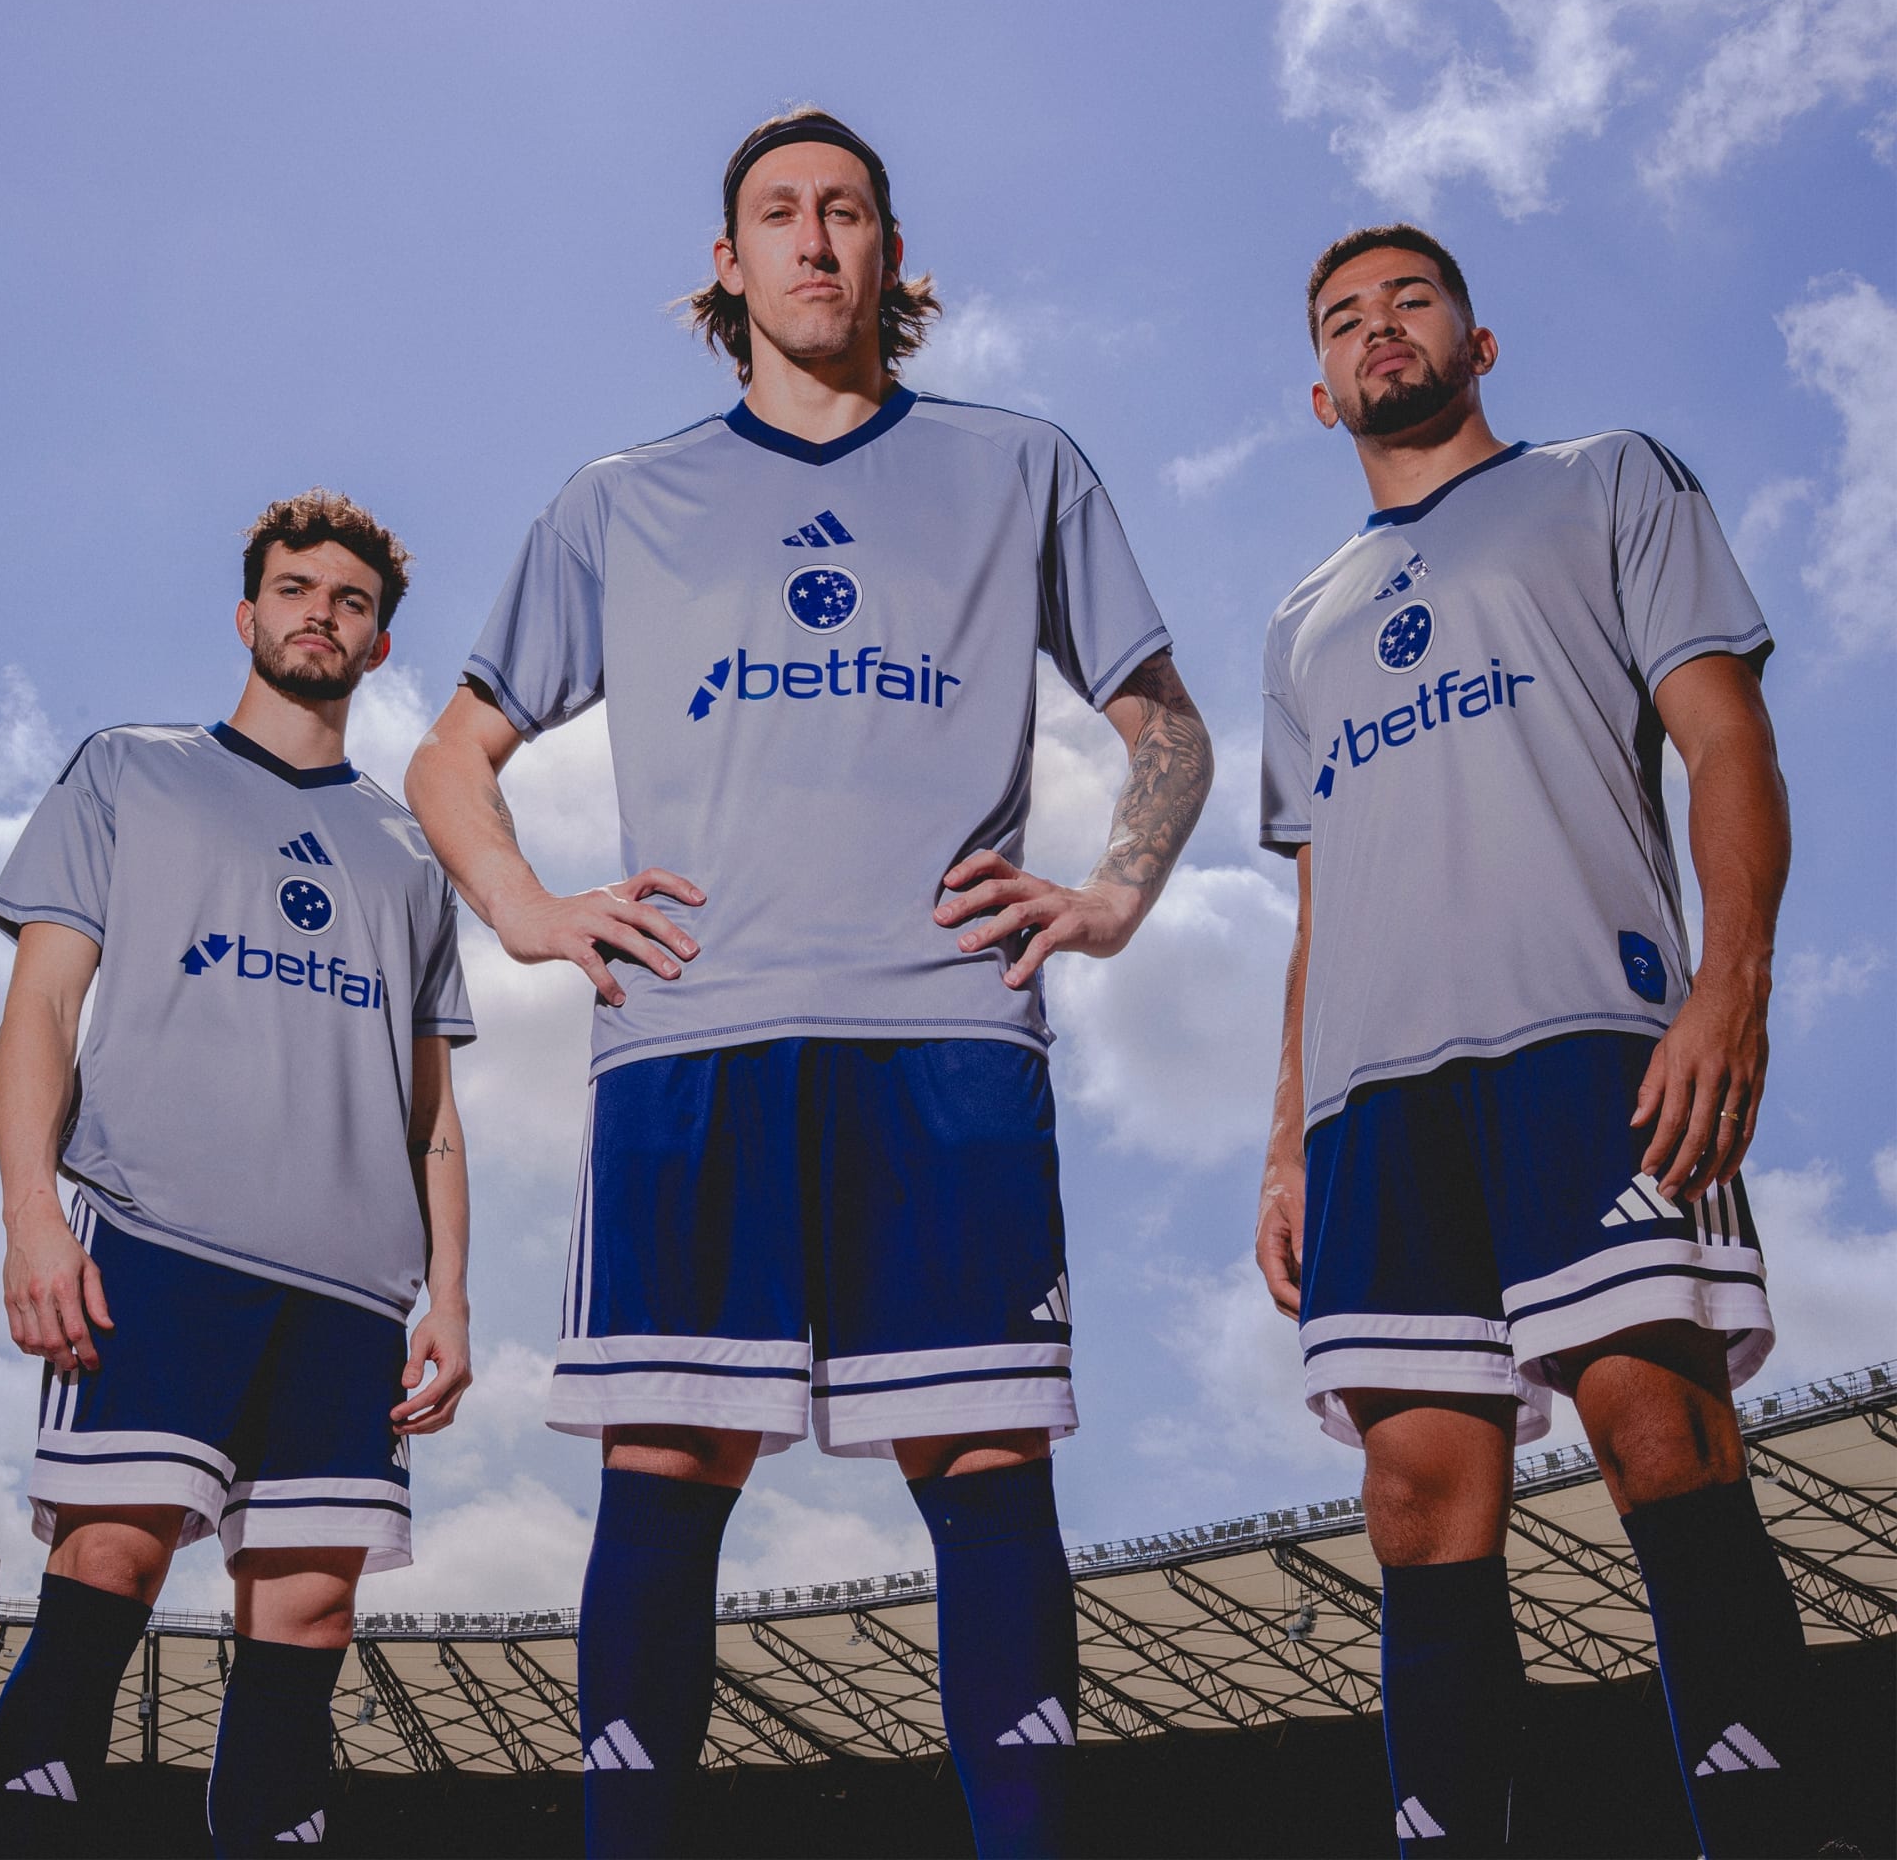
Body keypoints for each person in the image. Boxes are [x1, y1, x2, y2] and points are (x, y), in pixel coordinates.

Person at [407, 105, 1211, 1858]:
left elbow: (1165, 721)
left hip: (946, 1033)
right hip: (695, 1040)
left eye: (847, 211)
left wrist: (1113, 893)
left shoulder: (1019, 465)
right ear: (730, 262)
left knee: (988, 1466)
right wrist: (532, 912)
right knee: (663, 1469)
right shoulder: (620, 500)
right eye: (780, 212)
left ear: (891, 254)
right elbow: (451, 755)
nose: (815, 239)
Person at [1255, 225, 1809, 1859]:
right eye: (1345, 319)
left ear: (1477, 342)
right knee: (1413, 1502)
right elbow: (1316, 904)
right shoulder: (1301, 620)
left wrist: (1732, 983)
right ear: (1320, 391)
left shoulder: (1607, 480)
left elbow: (1726, 739)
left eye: (1411, 301)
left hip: (1589, 1035)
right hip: (1373, 1103)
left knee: (1659, 1430)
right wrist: (1285, 1143)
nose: (1380, 329)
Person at [0, 492, 475, 1858]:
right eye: (296, 589)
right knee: (109, 1560)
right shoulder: (128, 772)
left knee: (311, 1613)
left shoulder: (412, 856)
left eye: (352, 601)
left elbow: (433, 1109)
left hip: (353, 1292)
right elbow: (42, 1009)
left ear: (378, 644)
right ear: (248, 613)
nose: (322, 614)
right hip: (157, 1243)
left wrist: (449, 1294)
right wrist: (31, 1215)